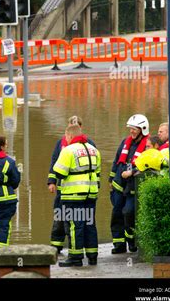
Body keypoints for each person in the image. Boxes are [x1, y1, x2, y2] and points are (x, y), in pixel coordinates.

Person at [53, 124, 101, 267]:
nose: (65, 139)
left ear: (70, 136)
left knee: (74, 225)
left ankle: (75, 257)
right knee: (90, 224)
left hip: (73, 194)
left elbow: (60, 173)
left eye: (66, 137)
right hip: (91, 193)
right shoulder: (94, 150)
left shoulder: (68, 150)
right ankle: (92, 257)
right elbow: (97, 172)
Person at [47, 116, 96, 254]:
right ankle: (57, 245)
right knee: (60, 216)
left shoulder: (88, 144)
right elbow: (54, 162)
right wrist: (51, 181)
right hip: (67, 189)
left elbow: (60, 169)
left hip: (74, 191)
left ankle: (76, 251)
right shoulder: (60, 144)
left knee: (75, 222)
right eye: (71, 124)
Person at [109, 114, 149, 254]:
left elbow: (149, 164)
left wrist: (132, 172)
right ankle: (119, 245)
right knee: (117, 213)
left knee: (129, 212)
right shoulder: (125, 142)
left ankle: (132, 241)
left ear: (142, 129)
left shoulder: (147, 145)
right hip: (119, 185)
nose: (131, 131)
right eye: (130, 128)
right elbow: (116, 161)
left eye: (134, 129)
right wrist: (111, 179)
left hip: (134, 186)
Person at [0, 136, 21, 248]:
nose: (7, 147)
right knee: (3, 226)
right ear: (1, 146)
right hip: (6, 200)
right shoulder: (9, 162)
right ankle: (0, 255)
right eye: (6, 145)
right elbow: (16, 181)